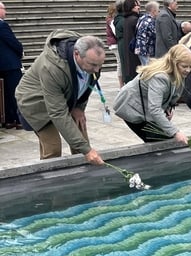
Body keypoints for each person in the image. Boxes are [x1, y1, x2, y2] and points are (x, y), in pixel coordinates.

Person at [15, 31, 105, 165]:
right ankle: (49, 182)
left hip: (62, 98)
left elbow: (85, 86)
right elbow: (58, 112)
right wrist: (87, 150)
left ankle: (83, 180)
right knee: (53, 149)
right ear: (76, 54)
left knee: (81, 142)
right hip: (35, 102)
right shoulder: (52, 68)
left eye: (100, 64)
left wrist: (79, 107)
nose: (97, 70)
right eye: (93, 65)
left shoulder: (92, 59)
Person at [113, 44, 191, 144]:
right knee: (161, 141)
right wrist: (176, 132)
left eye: (190, 67)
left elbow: (170, 96)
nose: (188, 70)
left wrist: (167, 109)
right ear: (174, 63)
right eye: (184, 66)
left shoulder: (177, 73)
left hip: (144, 108)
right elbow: (154, 109)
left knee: (162, 140)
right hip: (132, 108)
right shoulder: (160, 77)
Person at [0, 1, 24, 129]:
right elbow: (13, 42)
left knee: (4, 94)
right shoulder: (2, 25)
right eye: (4, 9)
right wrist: (21, 51)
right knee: (16, 92)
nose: (6, 11)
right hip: (9, 65)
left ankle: (8, 120)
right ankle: (19, 120)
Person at [119, 0, 141, 83]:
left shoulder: (127, 19)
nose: (138, 7)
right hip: (135, 52)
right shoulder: (134, 20)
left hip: (129, 51)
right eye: (135, 6)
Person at [104, 2, 122, 88]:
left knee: (120, 63)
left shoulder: (110, 19)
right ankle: (121, 85)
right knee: (120, 63)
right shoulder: (111, 20)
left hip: (113, 43)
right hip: (115, 44)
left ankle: (121, 84)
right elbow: (116, 32)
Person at [135, 1, 159, 66]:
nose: (158, 13)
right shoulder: (150, 21)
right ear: (153, 11)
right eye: (157, 11)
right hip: (146, 49)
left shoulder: (142, 18)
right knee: (147, 69)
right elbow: (155, 34)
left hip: (140, 48)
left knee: (144, 67)